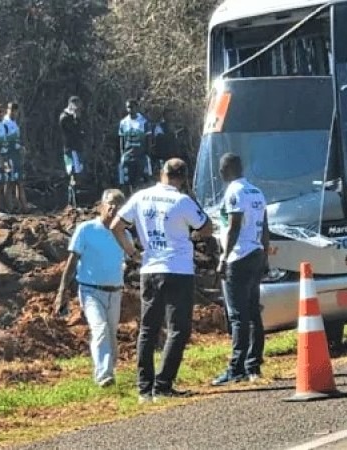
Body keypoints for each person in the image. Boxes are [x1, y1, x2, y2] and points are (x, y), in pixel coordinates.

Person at [110, 158, 212, 403]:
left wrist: (132, 252)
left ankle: (144, 388)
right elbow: (207, 227)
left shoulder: (141, 197)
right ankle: (164, 383)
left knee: (148, 328)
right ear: (184, 178)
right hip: (178, 269)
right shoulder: (182, 200)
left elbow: (116, 225)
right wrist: (194, 236)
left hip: (150, 268)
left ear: (161, 173)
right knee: (178, 328)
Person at [54, 189, 137, 388]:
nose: (113, 208)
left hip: (114, 291)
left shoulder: (124, 235)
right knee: (99, 329)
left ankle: (109, 369)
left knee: (110, 333)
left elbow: (130, 260)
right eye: (110, 204)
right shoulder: (86, 229)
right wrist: (62, 292)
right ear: (100, 206)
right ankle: (103, 376)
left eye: (118, 206)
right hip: (91, 290)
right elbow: (72, 262)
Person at [212, 153, 269, 386]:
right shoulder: (257, 192)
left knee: (237, 315)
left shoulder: (233, 192)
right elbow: (265, 227)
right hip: (256, 253)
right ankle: (253, 364)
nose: (219, 173)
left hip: (238, 256)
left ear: (228, 169)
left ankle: (236, 368)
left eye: (221, 169)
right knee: (253, 312)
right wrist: (265, 255)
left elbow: (234, 226)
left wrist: (224, 258)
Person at [118, 99, 152, 195]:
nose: (130, 109)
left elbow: (148, 139)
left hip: (140, 157)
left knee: (141, 182)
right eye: (128, 107)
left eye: (132, 107)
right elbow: (121, 140)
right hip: (128, 157)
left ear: (137, 108)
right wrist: (122, 154)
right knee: (126, 182)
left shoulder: (144, 122)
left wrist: (147, 154)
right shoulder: (123, 122)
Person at [59, 96, 86, 208]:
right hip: (71, 150)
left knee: (78, 175)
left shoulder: (76, 117)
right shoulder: (65, 117)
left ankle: (73, 202)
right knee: (73, 174)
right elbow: (71, 130)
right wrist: (75, 118)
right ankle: (72, 204)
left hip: (78, 149)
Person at [4, 102, 29, 213]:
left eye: (15, 111)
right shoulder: (5, 123)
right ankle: (9, 207)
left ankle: (22, 206)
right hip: (9, 155)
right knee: (9, 182)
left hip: (16, 155)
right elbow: (5, 140)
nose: (13, 113)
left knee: (19, 181)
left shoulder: (14, 123)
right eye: (11, 110)